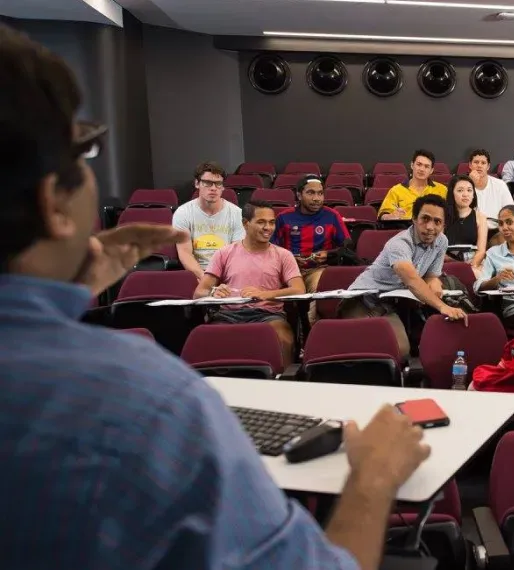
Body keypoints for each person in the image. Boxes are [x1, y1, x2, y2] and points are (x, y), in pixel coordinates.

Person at [0, 25, 429, 570]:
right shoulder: (147, 398)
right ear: (52, 203)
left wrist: (66, 281)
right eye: (85, 152)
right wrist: (371, 482)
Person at [342, 195, 467, 359]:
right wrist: (443, 307)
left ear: (444, 225)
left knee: (400, 350)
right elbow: (412, 280)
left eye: (437, 222)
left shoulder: (441, 241)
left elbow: (430, 275)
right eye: (425, 219)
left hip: (387, 305)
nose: (430, 226)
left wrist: (434, 284)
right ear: (414, 219)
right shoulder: (399, 243)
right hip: (361, 300)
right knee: (362, 350)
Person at [195, 200, 306, 365]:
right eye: (261, 222)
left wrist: (265, 295)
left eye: (271, 222)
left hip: (268, 315)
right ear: (245, 224)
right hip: (228, 315)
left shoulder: (283, 255)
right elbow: (199, 292)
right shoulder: (224, 253)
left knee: (283, 337)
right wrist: (213, 292)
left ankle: (285, 381)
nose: (268, 228)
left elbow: (299, 289)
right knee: (202, 337)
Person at [273, 175, 350, 322]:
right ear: (299, 195)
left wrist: (328, 254)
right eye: (311, 193)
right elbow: (271, 248)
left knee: (320, 286)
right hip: (289, 270)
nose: (316, 198)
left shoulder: (332, 216)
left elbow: (346, 246)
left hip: (318, 269)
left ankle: (314, 329)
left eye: (320, 193)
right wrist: (290, 259)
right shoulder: (284, 217)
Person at [173, 161, 245, 278]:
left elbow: (237, 254)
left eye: (218, 184)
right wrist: (205, 279)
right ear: (197, 183)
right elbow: (185, 253)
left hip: (227, 273)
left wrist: (222, 279)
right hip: (196, 274)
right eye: (207, 183)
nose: (213, 188)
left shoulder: (236, 213)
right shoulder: (183, 213)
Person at [378, 149, 448, 220]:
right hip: (405, 228)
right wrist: (390, 216)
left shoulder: (442, 190)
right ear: (412, 165)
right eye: (419, 164)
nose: (422, 169)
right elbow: (382, 215)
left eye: (426, 166)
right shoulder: (396, 190)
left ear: (431, 170)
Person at [443, 174, 488, 270]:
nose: (465, 194)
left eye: (469, 190)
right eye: (460, 190)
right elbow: (438, 249)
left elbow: (481, 251)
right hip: (447, 262)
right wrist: (457, 265)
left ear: (473, 195)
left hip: (473, 262)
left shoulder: (480, 217)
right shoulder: (442, 216)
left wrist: (471, 267)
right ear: (452, 193)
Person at [468, 149, 514, 231]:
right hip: (471, 229)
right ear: (470, 165)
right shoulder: (462, 185)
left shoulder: (500, 185)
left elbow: (510, 210)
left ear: (488, 166)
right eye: (476, 162)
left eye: (483, 163)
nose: (479, 165)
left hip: (495, 228)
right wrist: (471, 184)